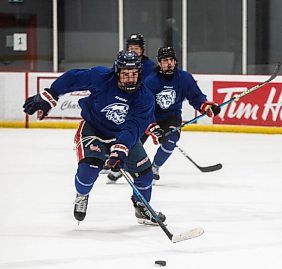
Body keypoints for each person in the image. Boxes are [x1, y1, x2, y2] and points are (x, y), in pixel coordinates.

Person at [22, 50, 167, 226]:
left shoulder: (145, 97)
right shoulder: (101, 77)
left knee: (144, 174)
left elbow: (134, 127)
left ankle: (142, 207)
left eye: (134, 74)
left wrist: (120, 148)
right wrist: (51, 95)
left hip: (122, 135)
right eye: (125, 74)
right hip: (94, 129)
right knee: (89, 170)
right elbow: (73, 78)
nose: (130, 79)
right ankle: (82, 195)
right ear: (117, 71)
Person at [107, 46, 220, 182]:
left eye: (171, 59)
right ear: (159, 62)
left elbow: (196, 97)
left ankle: (155, 168)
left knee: (171, 139)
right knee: (133, 144)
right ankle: (122, 168)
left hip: (171, 118)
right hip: (148, 117)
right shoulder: (151, 81)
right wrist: (152, 126)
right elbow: (144, 106)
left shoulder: (184, 78)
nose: (169, 63)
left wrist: (205, 106)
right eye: (165, 60)